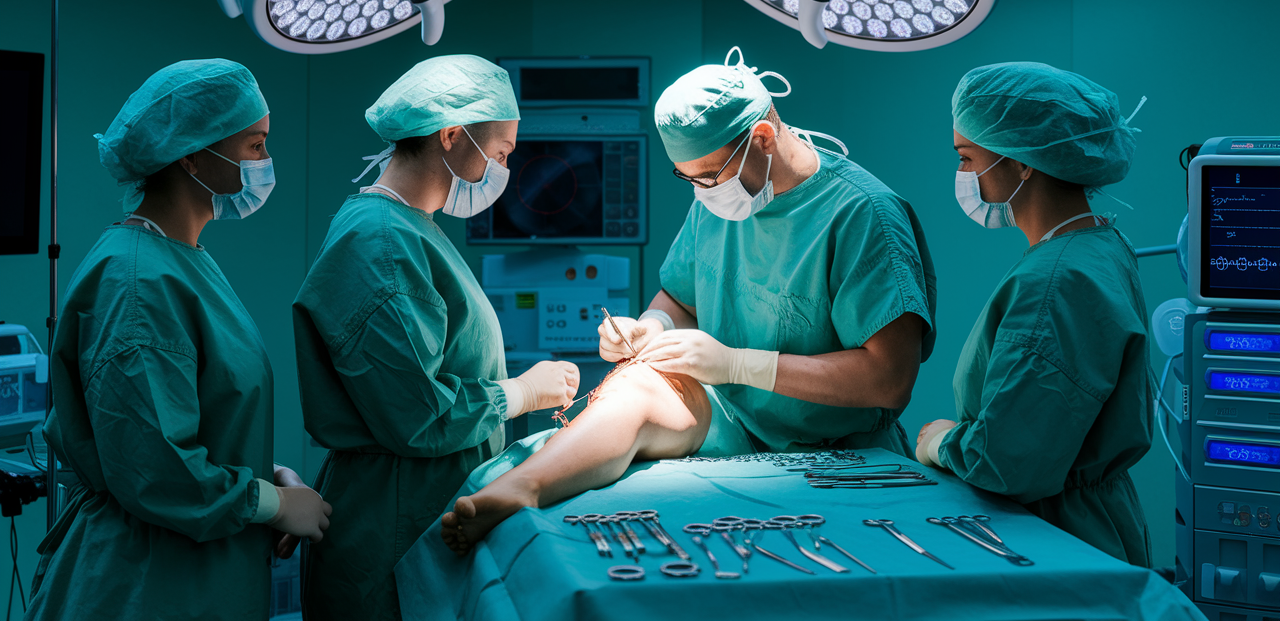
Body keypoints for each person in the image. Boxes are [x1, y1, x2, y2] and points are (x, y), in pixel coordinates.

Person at [442, 47, 936, 551]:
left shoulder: (863, 214)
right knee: (636, 383)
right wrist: (652, 325)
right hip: (728, 415)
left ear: (762, 138)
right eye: (689, 178)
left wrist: (742, 364)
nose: (703, 192)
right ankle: (522, 487)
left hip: (835, 448)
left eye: (709, 176)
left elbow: (889, 380)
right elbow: (680, 296)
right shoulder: (723, 200)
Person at [26, 60, 332, 621]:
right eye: (255, 146)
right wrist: (271, 503)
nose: (265, 163)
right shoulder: (137, 283)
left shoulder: (181, 260)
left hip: (199, 572)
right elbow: (155, 467)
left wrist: (267, 482)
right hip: (146, 584)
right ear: (191, 155)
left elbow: (203, 417)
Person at [293, 55, 580, 621]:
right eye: (500, 151)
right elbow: (417, 414)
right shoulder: (381, 243)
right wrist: (521, 393)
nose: (505, 166)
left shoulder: (410, 229)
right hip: (392, 534)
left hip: (421, 513)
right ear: (452, 136)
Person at [914, 62, 1153, 567]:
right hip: (1091, 525)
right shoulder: (1099, 245)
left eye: (967, 157)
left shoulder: (1056, 279)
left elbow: (1008, 462)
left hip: (1058, 540)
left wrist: (942, 442)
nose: (962, 174)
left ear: (1022, 162)